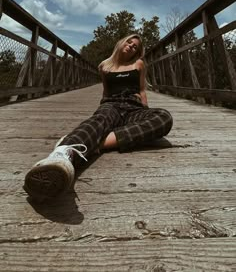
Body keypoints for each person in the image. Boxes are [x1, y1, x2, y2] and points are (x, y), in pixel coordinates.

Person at [23, 34, 173, 201]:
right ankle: (61, 157)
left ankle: (93, 142)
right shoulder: (105, 66)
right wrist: (103, 111)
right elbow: (106, 92)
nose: (131, 46)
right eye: (129, 42)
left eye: (136, 46)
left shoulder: (138, 64)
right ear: (121, 42)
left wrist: (145, 113)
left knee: (164, 117)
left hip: (134, 108)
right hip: (113, 104)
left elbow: (143, 90)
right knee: (101, 119)